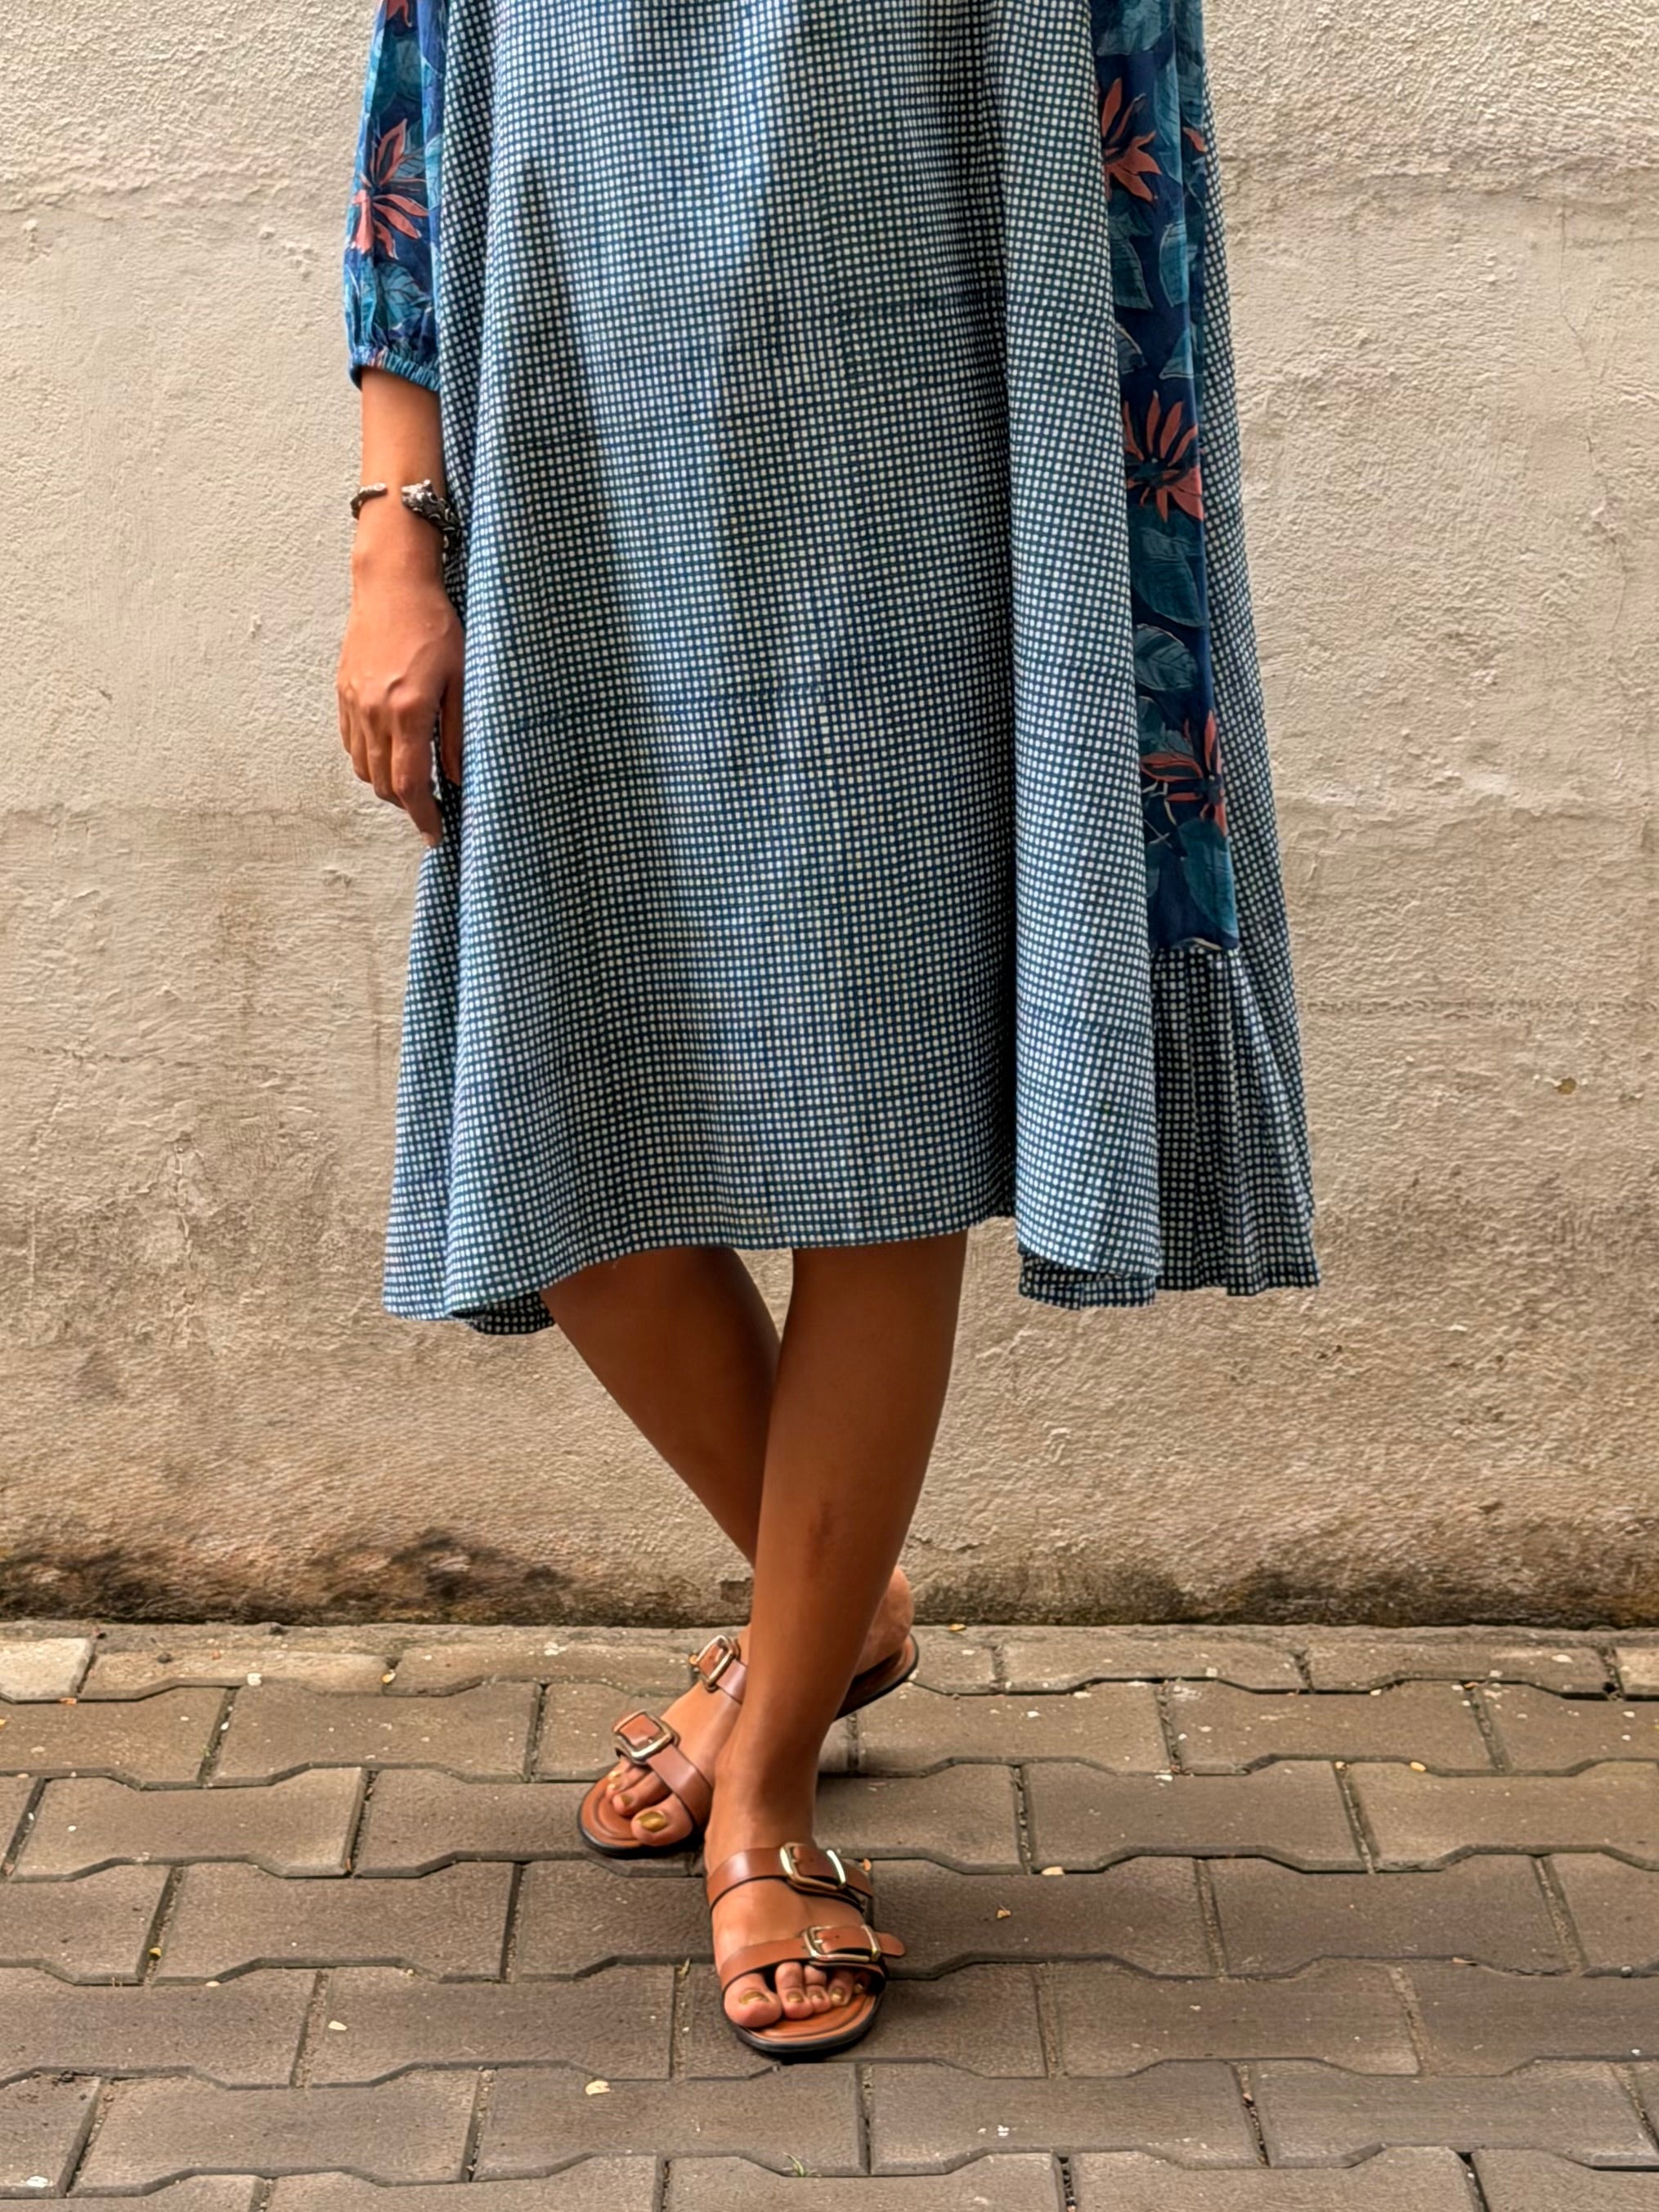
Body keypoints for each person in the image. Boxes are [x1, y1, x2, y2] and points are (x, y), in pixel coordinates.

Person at [335, 0, 1319, 2060]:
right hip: (578, 481)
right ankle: (831, 1612)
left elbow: (1124, 148)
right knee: (565, 1138)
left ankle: (768, 1782)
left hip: (925, 487)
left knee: (883, 1137)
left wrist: (1117, 583)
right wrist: (391, 536)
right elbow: (415, 126)